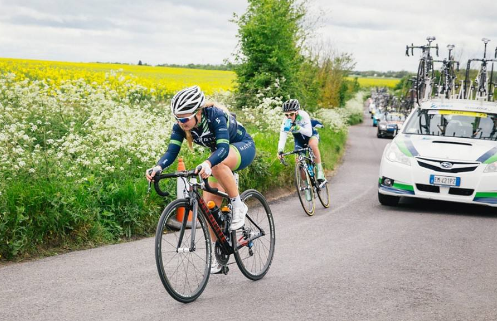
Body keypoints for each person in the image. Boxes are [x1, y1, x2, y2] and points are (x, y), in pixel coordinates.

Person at [145, 85, 256, 273]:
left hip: (241, 147)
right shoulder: (181, 126)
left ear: (198, 111)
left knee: (217, 165)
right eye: (177, 118)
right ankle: (218, 253)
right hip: (219, 155)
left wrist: (207, 163)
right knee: (209, 207)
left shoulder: (215, 116)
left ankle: (238, 205)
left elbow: (222, 148)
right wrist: (158, 167)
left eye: (184, 118)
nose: (181, 122)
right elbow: (172, 152)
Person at [276, 99, 326, 195]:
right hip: (299, 140)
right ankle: (307, 186)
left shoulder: (304, 115)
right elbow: (282, 137)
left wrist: (298, 128)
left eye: (291, 114)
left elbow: (309, 132)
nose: (289, 117)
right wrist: (280, 150)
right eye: (286, 115)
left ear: (297, 112)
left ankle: (320, 171)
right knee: (299, 160)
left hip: (311, 136)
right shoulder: (285, 122)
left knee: (312, 145)